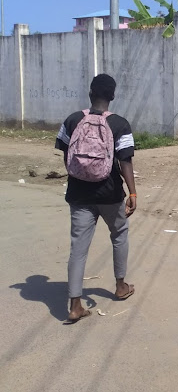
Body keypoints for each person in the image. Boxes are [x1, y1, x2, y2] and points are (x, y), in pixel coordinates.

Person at [55, 74, 137, 323]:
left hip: (79, 194)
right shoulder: (120, 124)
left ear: (91, 93)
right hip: (110, 194)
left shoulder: (72, 120)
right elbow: (125, 161)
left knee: (78, 248)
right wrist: (132, 192)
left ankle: (75, 305)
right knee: (119, 235)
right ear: (112, 96)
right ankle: (121, 286)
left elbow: (67, 157)